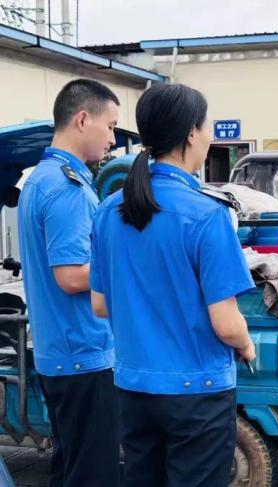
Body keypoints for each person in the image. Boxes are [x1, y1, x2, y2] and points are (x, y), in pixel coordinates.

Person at [89, 83, 256, 487]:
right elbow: (227, 324)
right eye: (207, 126)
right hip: (196, 393)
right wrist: (247, 346)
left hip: (134, 388)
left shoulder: (109, 211)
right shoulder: (207, 213)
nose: (210, 136)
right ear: (191, 134)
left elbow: (100, 304)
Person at [17, 79, 121, 486]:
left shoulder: (40, 179)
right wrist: (131, 273)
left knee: (70, 469)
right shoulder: (67, 188)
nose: (112, 139)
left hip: (60, 352)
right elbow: (72, 275)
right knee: (93, 475)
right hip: (83, 354)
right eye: (110, 126)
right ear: (82, 120)